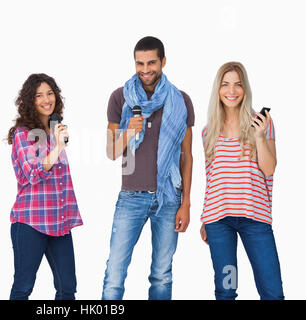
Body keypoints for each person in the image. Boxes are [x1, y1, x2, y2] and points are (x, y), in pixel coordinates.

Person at [102, 36, 194, 300]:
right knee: (115, 275)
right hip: (131, 197)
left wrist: (185, 203)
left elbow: (187, 156)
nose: (145, 69)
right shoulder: (120, 97)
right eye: (139, 63)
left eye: (151, 62)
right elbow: (110, 152)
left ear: (163, 61)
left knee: (162, 275)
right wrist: (129, 132)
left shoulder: (181, 100)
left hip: (169, 200)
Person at [199, 61, 284, 300]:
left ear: (245, 88)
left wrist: (258, 136)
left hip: (255, 218)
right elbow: (211, 178)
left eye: (237, 84)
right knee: (227, 290)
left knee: (272, 292)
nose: (231, 91)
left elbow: (269, 169)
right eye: (225, 85)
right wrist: (205, 219)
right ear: (218, 89)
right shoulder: (209, 131)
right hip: (219, 222)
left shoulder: (261, 123)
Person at [7, 73, 83, 300]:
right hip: (31, 223)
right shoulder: (23, 134)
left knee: (67, 288)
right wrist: (58, 147)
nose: (46, 99)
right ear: (30, 101)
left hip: (59, 222)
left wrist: (57, 143)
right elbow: (32, 173)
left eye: (49, 93)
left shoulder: (54, 131)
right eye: (39, 95)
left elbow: (61, 181)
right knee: (23, 287)